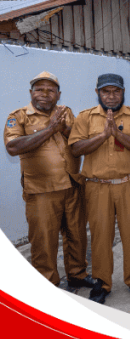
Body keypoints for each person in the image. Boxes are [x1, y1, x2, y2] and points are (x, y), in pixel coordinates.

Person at [4, 72, 92, 289]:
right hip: (41, 190)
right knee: (44, 240)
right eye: (39, 90)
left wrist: (65, 128)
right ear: (31, 93)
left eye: (50, 90)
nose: (45, 94)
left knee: (77, 235)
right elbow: (13, 147)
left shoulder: (65, 112)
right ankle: (47, 283)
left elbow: (78, 141)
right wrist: (50, 129)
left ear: (58, 94)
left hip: (72, 185)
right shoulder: (19, 116)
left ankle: (77, 274)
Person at [69, 74, 130, 304]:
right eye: (106, 92)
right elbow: (76, 148)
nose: (111, 96)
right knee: (100, 235)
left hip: (129, 183)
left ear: (123, 92)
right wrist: (104, 135)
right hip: (98, 186)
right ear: (98, 92)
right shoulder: (85, 117)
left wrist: (117, 134)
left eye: (116, 91)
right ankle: (101, 282)